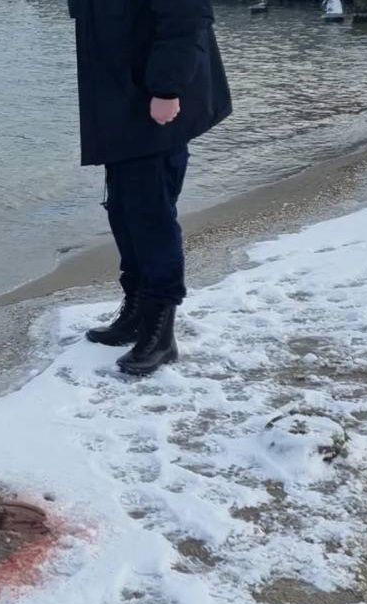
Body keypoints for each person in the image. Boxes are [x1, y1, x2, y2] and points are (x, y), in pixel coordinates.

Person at [69, 0, 232, 376]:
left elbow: (186, 18)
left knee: (151, 214)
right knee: (123, 210)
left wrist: (167, 87)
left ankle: (160, 332)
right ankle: (137, 310)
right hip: (118, 101)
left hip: (155, 102)